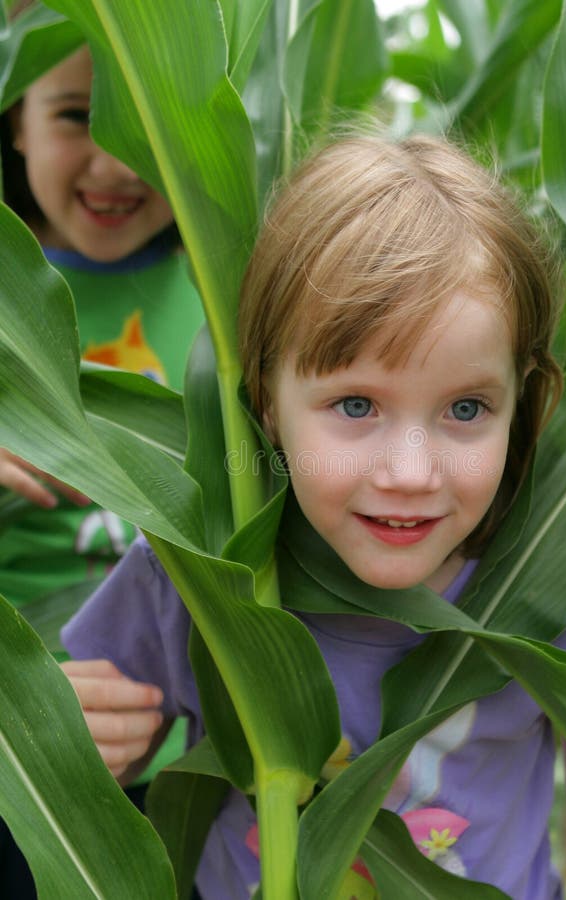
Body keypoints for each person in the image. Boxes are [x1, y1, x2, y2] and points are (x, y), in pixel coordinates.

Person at [61, 135, 566, 899]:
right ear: (269, 402)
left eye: (466, 408)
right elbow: (82, 745)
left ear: (525, 402)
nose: (410, 474)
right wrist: (86, 738)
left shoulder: (554, 585)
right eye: (356, 405)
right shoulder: (192, 572)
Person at [0, 13, 204, 896]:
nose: (117, 163)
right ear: (13, 114)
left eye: (145, 122)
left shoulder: (233, 296)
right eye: (79, 115)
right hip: (23, 751)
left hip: (194, 752)